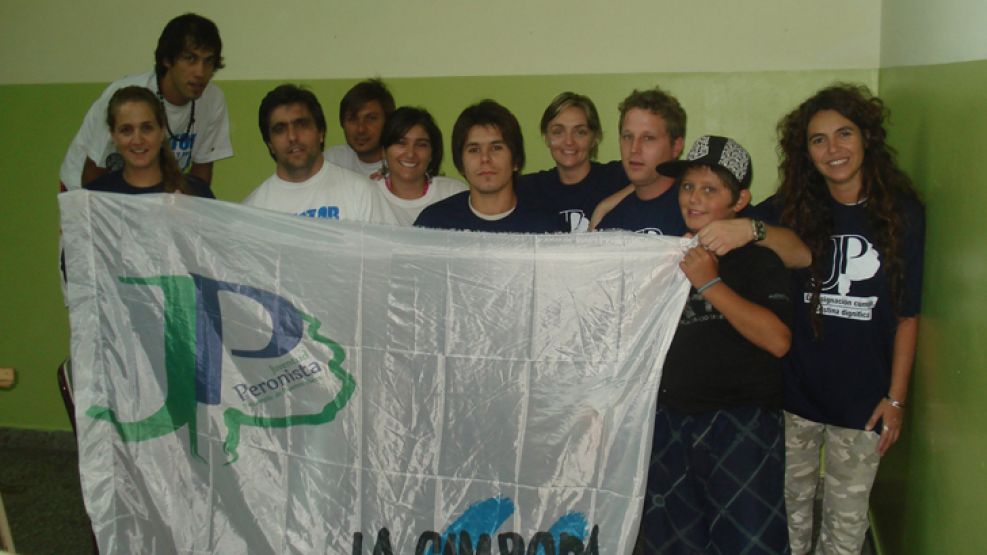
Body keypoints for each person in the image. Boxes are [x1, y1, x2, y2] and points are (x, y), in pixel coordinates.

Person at [756, 84, 925, 555]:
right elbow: (726, 213)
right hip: (796, 397)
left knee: (845, 535)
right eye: (818, 140)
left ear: (866, 137)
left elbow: (909, 316)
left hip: (863, 405)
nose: (834, 150)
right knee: (788, 526)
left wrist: (896, 399)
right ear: (805, 152)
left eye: (844, 134)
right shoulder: (790, 210)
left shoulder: (902, 216)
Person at [637, 135, 792, 554]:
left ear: (739, 200)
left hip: (739, 422)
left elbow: (778, 341)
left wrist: (710, 283)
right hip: (670, 419)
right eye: (688, 186)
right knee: (673, 541)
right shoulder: (666, 255)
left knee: (747, 541)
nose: (694, 198)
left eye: (710, 189)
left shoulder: (758, 259)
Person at [60, 13, 232, 192]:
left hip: (152, 187)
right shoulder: (127, 96)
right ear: (167, 60)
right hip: (83, 184)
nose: (200, 72)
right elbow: (93, 171)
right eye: (190, 58)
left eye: (209, 61)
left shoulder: (213, 100)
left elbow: (201, 170)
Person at [243, 84, 396, 224]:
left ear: (321, 133)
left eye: (301, 125)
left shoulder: (362, 193)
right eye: (280, 129)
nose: (292, 137)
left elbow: (391, 251)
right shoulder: (252, 210)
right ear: (270, 144)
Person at [414, 100, 563, 233]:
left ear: (516, 160)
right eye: (474, 150)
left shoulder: (546, 227)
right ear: (460, 164)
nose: (485, 158)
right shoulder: (433, 225)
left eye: (496, 148)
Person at [515, 92, 627, 232]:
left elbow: (658, 174)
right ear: (546, 137)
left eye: (580, 132)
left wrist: (604, 206)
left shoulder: (616, 177)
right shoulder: (529, 188)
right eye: (558, 132)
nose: (569, 142)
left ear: (594, 138)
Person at [85, 86, 213, 197]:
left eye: (146, 128)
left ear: (162, 131)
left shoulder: (195, 192)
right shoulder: (96, 196)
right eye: (126, 130)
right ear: (113, 136)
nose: (137, 140)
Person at [591, 87, 686, 235]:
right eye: (627, 137)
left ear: (676, 146)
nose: (634, 149)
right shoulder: (611, 223)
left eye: (648, 138)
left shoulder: (695, 211)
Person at [371, 106, 466, 226]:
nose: (410, 154)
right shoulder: (368, 194)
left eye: (421, 145)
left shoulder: (454, 193)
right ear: (384, 151)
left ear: (432, 153)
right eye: (401, 143)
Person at [323, 79, 395, 177]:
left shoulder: (402, 164)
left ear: (388, 122)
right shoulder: (332, 161)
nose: (361, 129)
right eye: (352, 119)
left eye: (371, 119)